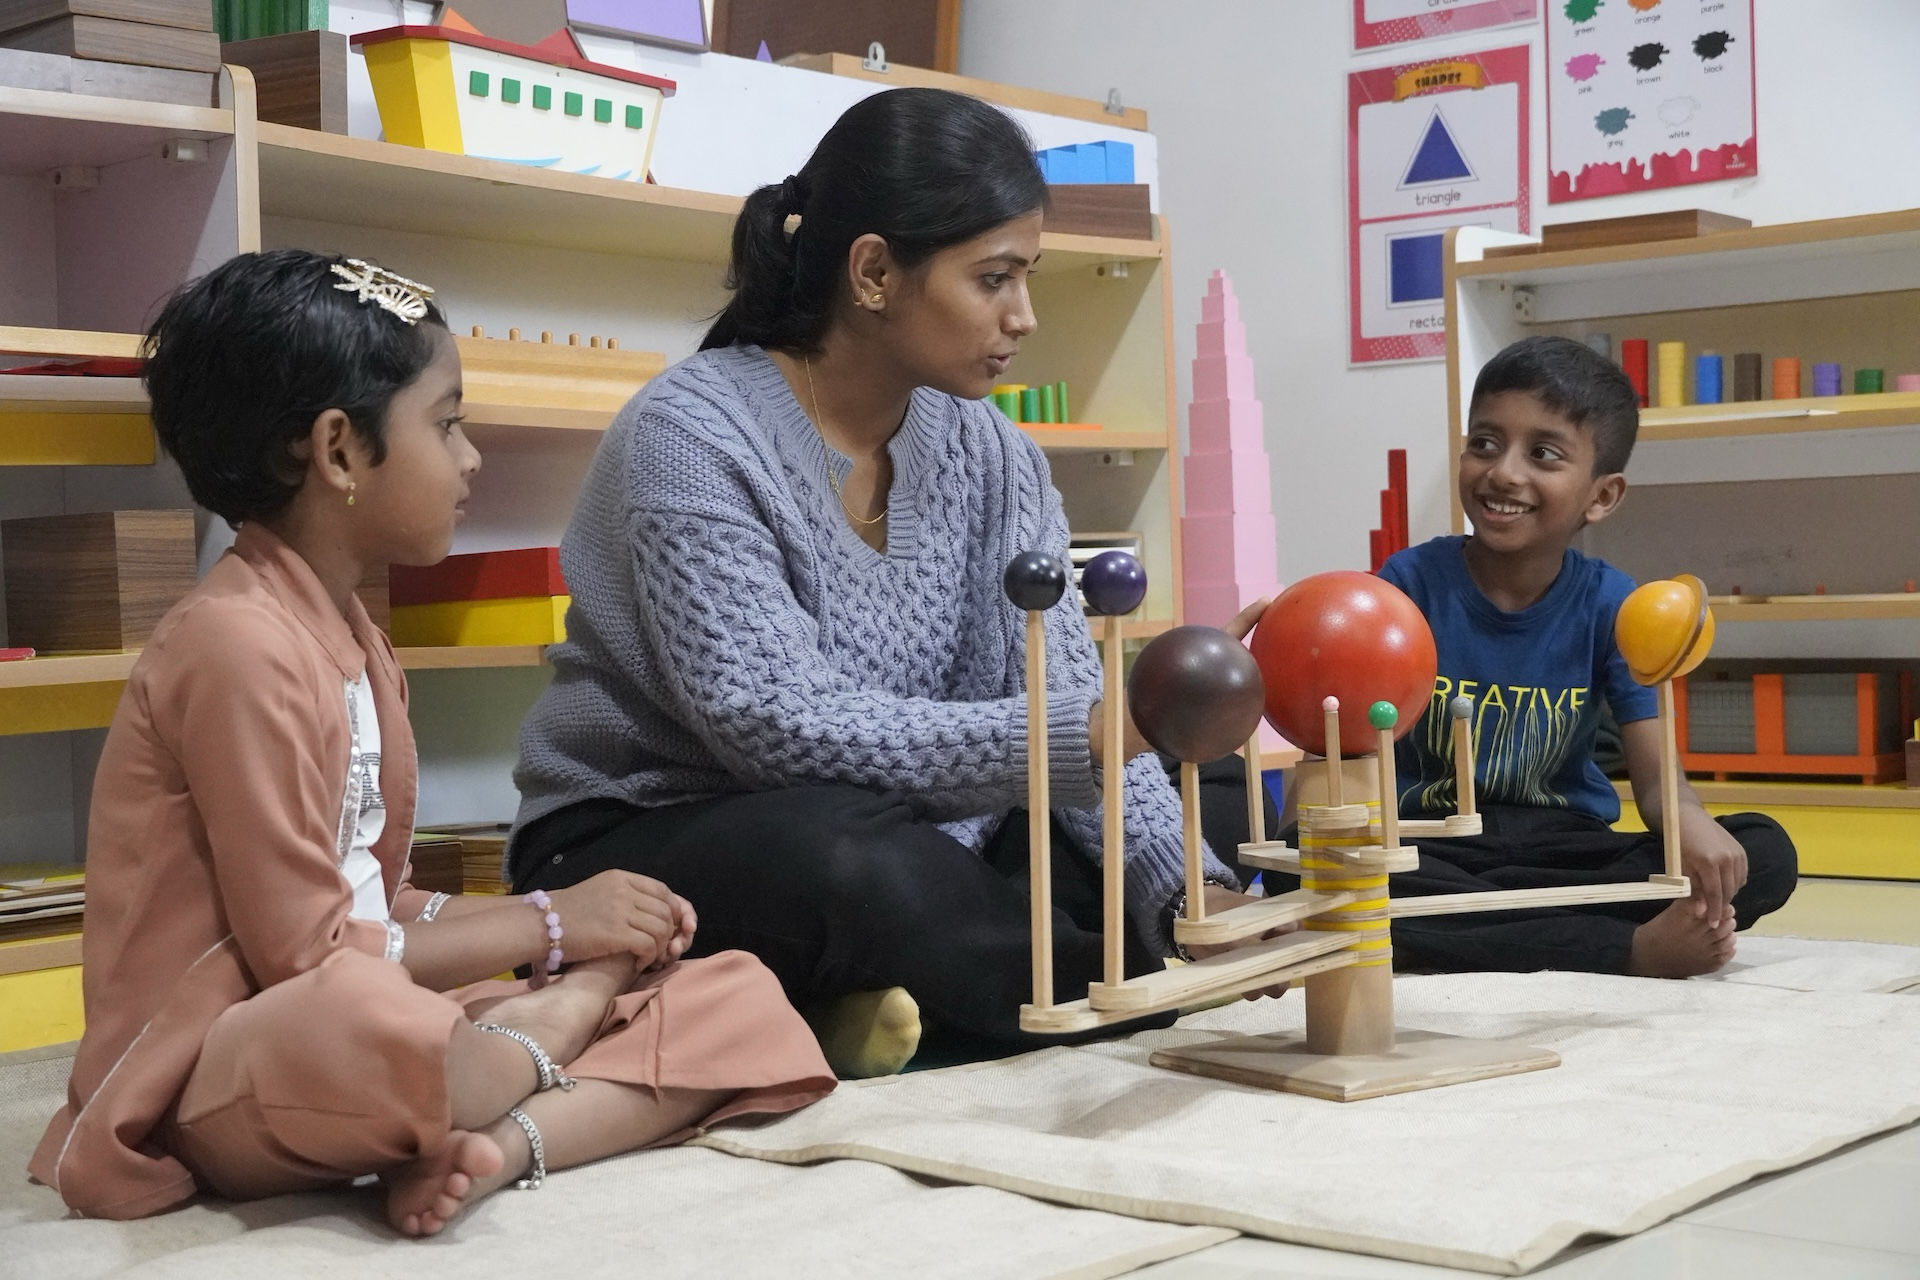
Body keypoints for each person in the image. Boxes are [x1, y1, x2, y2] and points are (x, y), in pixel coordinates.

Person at [30, 250, 833, 1232]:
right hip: (222, 1066)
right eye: (446, 422)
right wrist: (559, 940)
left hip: (367, 1017)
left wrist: (546, 923)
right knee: (367, 1022)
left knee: (738, 989)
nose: (470, 457)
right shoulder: (234, 643)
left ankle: (495, 1144)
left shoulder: (355, 638)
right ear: (336, 451)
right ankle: (554, 1032)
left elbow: (375, 895)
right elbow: (305, 956)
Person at [508, 88, 1280, 1075]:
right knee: (850, 858)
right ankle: (1105, 988)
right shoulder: (691, 435)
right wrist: (1083, 731)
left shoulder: (998, 458)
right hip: (656, 835)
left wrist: (1190, 893)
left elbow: (1068, 714)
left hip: (921, 829)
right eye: (993, 278)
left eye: (1027, 276)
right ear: (873, 272)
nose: (1025, 315)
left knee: (1186, 786)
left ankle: (905, 998)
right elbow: (775, 728)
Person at [1333, 335, 1795, 977]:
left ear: (1601, 496)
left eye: (1543, 454)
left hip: (1566, 852)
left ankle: (1495, 933)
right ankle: (1615, 948)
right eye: (1484, 443)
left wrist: (1689, 821)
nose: (1504, 472)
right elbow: (1351, 743)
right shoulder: (1406, 585)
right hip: (1432, 848)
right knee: (1325, 873)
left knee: (1762, 851)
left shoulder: (1614, 603)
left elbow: (1660, 781)